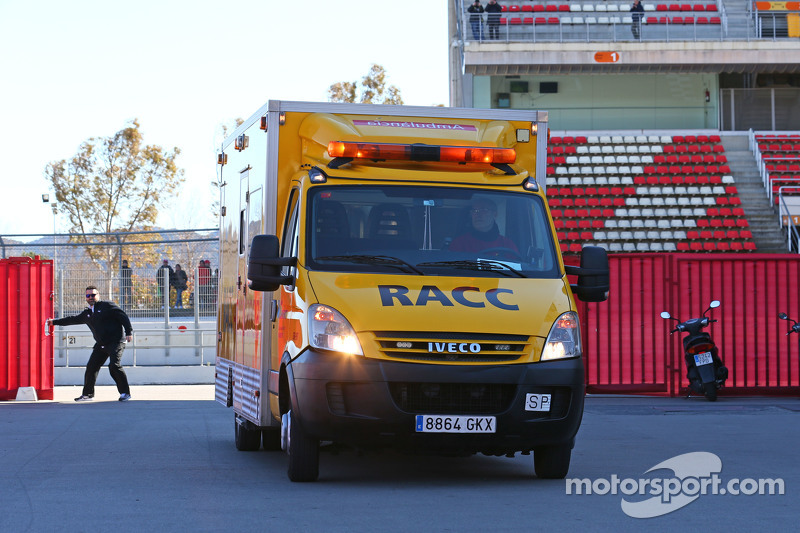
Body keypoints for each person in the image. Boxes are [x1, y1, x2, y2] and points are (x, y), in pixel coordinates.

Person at [47, 285, 133, 402]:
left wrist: (129, 332)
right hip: (101, 344)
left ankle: (125, 393)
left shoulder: (107, 306)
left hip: (116, 341)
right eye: (88, 295)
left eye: (93, 295)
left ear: (98, 295)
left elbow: (123, 316)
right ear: (86, 297)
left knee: (114, 366)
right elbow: (72, 319)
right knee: (91, 368)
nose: (91, 297)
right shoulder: (87, 313)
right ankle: (87, 394)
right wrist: (54, 322)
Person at [449, 198, 518, 253]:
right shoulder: (459, 243)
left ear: (495, 214)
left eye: (484, 210)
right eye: (475, 211)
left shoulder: (507, 245)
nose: (478, 215)